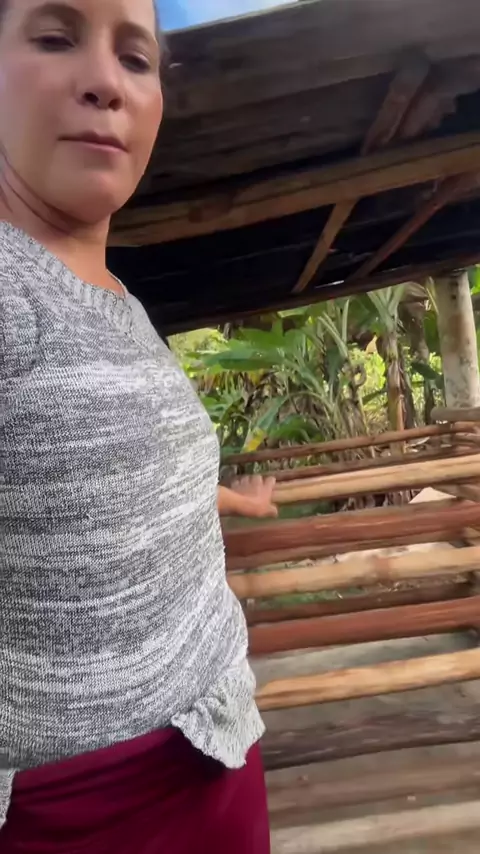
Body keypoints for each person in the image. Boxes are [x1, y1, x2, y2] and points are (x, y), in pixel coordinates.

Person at [0, 0, 274, 850]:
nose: (104, 83)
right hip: (89, 815)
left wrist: (236, 499)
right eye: (55, 38)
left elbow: (119, 484)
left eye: (136, 58)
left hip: (221, 748)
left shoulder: (119, 297)